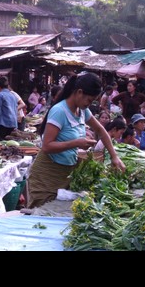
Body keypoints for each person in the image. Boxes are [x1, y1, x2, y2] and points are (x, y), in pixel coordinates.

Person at [26, 72, 126, 209]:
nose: (89, 104)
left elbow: (101, 131)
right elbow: (47, 146)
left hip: (66, 174)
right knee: (42, 216)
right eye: (89, 100)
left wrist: (114, 156)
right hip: (46, 174)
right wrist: (77, 143)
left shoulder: (82, 111)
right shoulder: (60, 111)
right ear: (79, 92)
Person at [0, 76, 18, 141]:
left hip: (3, 126)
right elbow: (15, 111)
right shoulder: (12, 95)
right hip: (12, 125)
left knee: (0, 146)